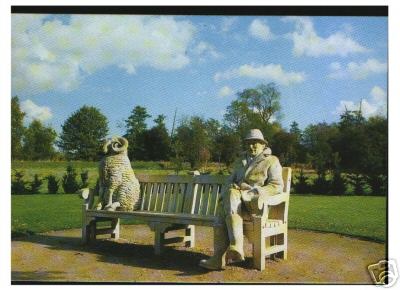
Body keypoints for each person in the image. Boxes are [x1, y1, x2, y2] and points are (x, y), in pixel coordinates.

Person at [199, 129, 284, 270]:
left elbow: (277, 186)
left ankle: (220, 256)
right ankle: (232, 249)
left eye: (255, 143)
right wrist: (232, 186)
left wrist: (253, 190)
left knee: (224, 208)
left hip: (256, 206)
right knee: (227, 202)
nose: (252, 146)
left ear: (263, 145)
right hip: (235, 205)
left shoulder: (271, 160)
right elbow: (228, 181)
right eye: (249, 143)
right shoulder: (240, 161)